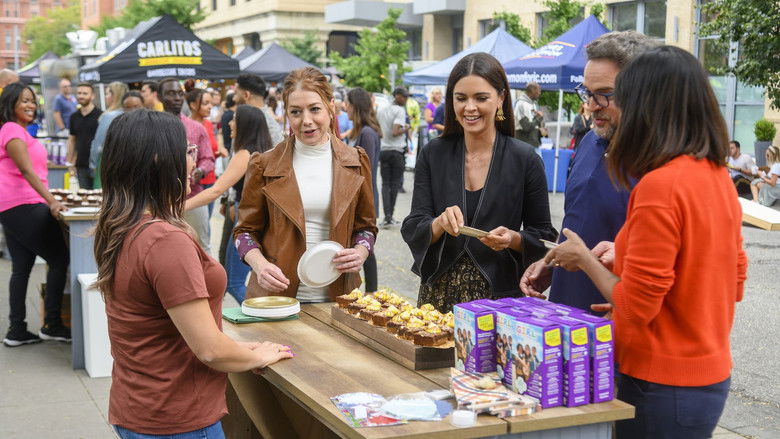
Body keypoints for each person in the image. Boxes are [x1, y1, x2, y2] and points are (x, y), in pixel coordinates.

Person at [545, 46, 746, 439]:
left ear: (648, 105)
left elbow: (636, 308)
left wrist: (586, 260)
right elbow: (731, 278)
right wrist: (627, 259)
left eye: (621, 97)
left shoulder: (660, 184)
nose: (597, 107)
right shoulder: (717, 175)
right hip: (706, 377)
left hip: (660, 383)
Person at [93, 109, 292, 438]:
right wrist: (259, 355)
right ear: (158, 160)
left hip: (140, 406)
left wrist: (243, 350)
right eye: (186, 151)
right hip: (177, 416)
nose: (195, 160)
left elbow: (172, 328)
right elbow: (209, 350)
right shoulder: (165, 241)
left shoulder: (123, 224)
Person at [401, 53, 557, 312]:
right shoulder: (433, 154)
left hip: (500, 300)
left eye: (481, 98)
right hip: (438, 297)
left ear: (501, 99)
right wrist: (439, 223)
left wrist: (513, 238)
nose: (469, 107)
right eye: (461, 98)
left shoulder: (525, 159)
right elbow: (414, 224)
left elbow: (543, 236)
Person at [520, 31, 657, 313]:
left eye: (604, 95)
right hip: (566, 319)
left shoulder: (661, 159)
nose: (591, 106)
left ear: (642, 91)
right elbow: (578, 224)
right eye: (587, 93)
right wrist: (552, 263)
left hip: (621, 325)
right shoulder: (589, 141)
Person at [233, 66, 377, 303]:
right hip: (277, 297)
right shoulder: (264, 164)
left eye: (315, 109)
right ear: (287, 114)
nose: (306, 121)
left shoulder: (356, 161)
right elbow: (244, 231)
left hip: (338, 297)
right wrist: (259, 265)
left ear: (331, 107)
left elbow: (366, 227)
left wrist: (361, 252)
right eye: (296, 112)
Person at [0, 82, 70, 346]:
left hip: (12, 205)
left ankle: (16, 330)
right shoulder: (12, 130)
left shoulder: (17, 131)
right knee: (60, 258)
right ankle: (52, 324)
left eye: (32, 100)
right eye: (24, 100)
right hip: (24, 204)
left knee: (21, 268)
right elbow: (27, 171)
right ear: (11, 104)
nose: (31, 105)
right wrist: (51, 201)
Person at [186, 105, 274, 302]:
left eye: (235, 119)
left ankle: (265, 318)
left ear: (246, 125)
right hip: (259, 221)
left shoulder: (245, 154)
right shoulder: (264, 151)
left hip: (248, 222)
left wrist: (179, 208)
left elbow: (216, 190)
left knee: (234, 282)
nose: (229, 123)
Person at [160, 77, 215, 254]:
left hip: (194, 197)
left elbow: (208, 158)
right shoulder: (153, 128)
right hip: (160, 199)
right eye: (170, 93)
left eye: (179, 93)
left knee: (201, 246)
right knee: (166, 249)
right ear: (160, 97)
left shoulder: (196, 128)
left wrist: (200, 170)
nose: (176, 97)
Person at [345, 87, 382, 292]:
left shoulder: (367, 133)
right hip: (362, 194)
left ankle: (372, 291)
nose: (345, 107)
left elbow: (363, 170)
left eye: (347, 104)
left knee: (366, 245)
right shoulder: (361, 131)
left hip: (365, 196)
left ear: (355, 106)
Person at [185, 80, 228, 218]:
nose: (210, 107)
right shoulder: (184, 126)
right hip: (191, 185)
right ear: (192, 105)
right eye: (205, 103)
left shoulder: (209, 124)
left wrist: (218, 152)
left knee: (205, 224)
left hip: (209, 179)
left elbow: (208, 152)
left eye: (210, 103)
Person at [377, 87, 410, 227]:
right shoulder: (400, 111)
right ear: (397, 96)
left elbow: (378, 129)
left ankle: (386, 216)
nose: (406, 100)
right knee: (395, 184)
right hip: (396, 151)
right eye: (405, 97)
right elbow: (396, 132)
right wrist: (407, 128)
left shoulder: (381, 110)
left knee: (385, 184)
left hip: (383, 150)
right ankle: (390, 216)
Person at [89, 82, 129, 189]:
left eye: (107, 94)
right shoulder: (128, 115)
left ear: (114, 96)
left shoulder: (109, 116)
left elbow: (98, 144)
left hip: (105, 162)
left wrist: (93, 164)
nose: (106, 97)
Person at [66, 82, 102, 189]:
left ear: (92, 96)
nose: (81, 96)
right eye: (79, 93)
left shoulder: (100, 115)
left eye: (85, 93)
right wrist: (70, 162)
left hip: (97, 166)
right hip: (80, 165)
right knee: (84, 198)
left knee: (99, 197)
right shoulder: (74, 117)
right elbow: (72, 140)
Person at [233, 73, 284, 146]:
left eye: (236, 93)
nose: (233, 99)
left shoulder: (259, 123)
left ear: (246, 95)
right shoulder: (270, 122)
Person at [513, 82, 546, 148]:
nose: (539, 93)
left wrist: (541, 128)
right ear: (532, 91)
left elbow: (533, 124)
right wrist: (539, 118)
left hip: (533, 144)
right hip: (524, 145)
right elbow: (526, 127)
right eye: (538, 91)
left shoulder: (533, 104)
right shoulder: (521, 105)